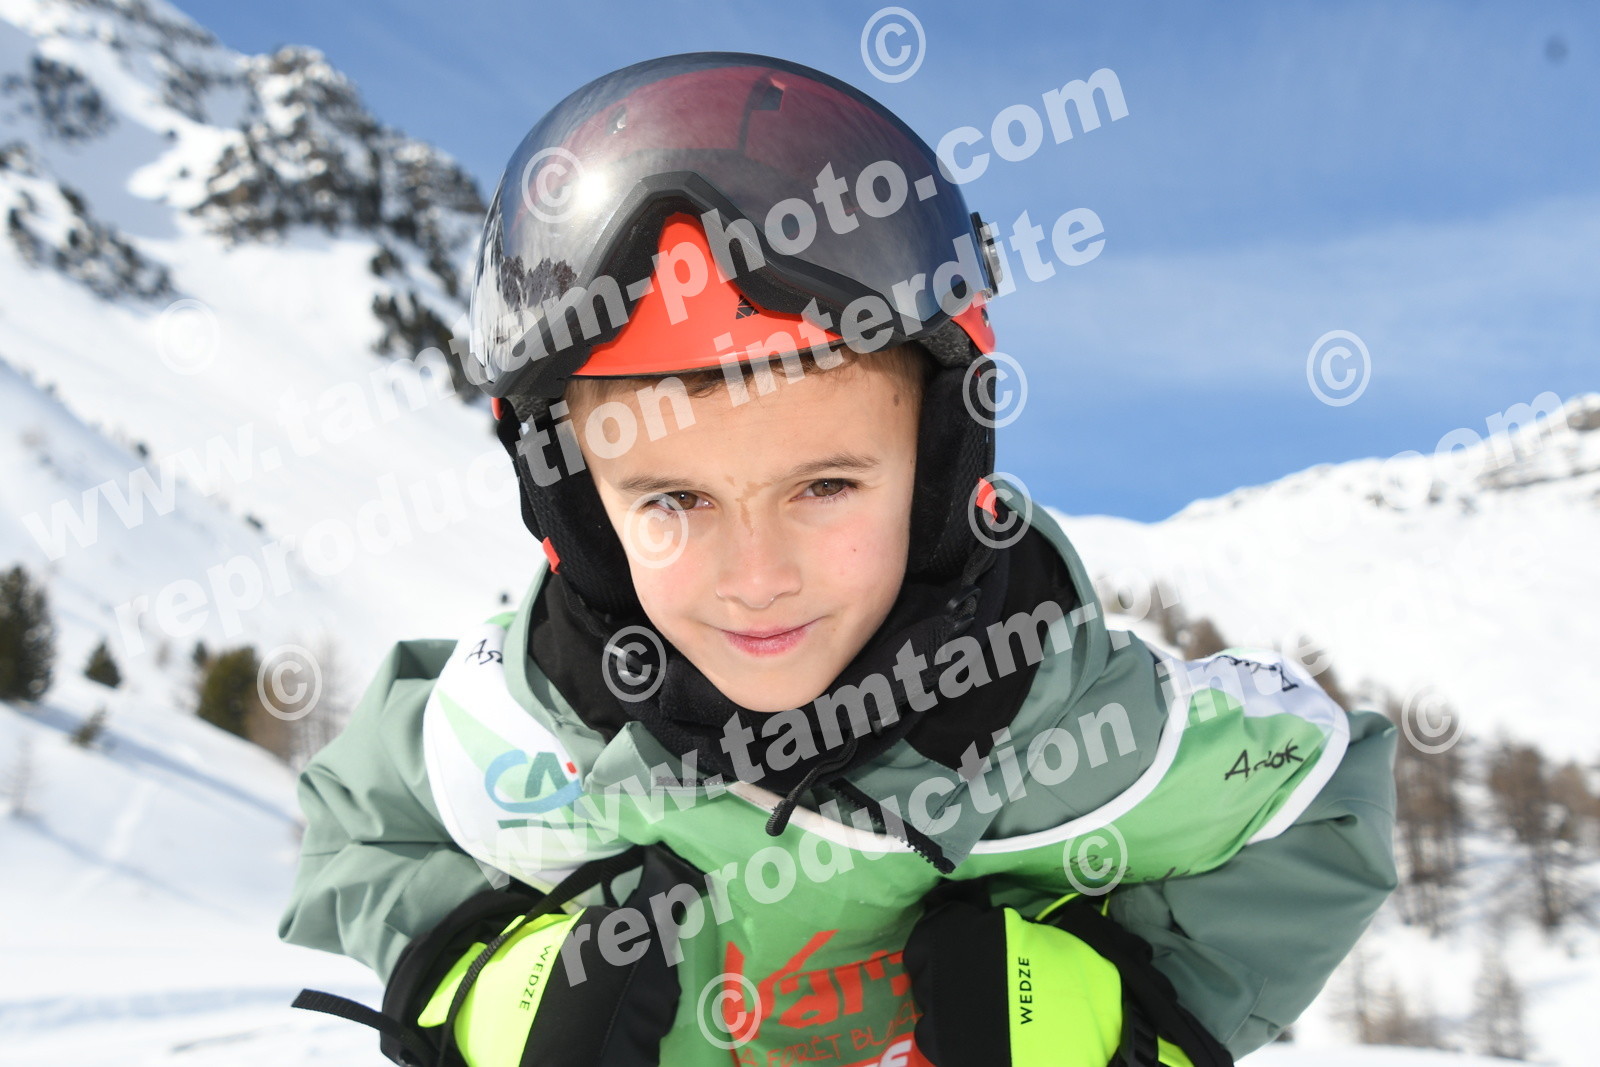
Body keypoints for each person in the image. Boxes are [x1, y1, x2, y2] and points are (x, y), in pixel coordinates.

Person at [279, 52, 1398, 1067]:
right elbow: (354, 827)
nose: (756, 575)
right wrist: (477, 989)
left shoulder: (1059, 726)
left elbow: (1323, 800)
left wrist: (1112, 1023)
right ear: (575, 506)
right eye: (673, 499)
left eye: (823, 487)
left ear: (939, 461)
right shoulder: (521, 721)